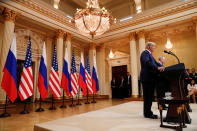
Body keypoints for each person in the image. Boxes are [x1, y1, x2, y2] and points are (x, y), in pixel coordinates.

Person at [140, 42, 165, 119]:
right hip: (147, 78)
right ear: (149, 46)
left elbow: (156, 63)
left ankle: (148, 112)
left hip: (150, 78)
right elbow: (147, 63)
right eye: (154, 46)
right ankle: (147, 113)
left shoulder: (150, 55)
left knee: (150, 97)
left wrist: (162, 67)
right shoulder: (145, 53)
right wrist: (158, 68)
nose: (154, 47)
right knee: (148, 97)